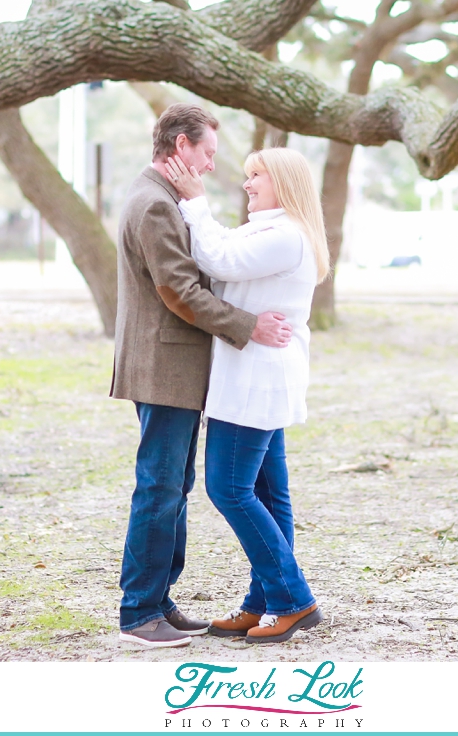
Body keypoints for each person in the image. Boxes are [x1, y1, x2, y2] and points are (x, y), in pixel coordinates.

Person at [110, 104, 293, 649]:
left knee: (174, 487)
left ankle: (160, 600)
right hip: (163, 368)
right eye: (208, 152)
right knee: (159, 488)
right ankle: (139, 612)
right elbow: (179, 293)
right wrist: (248, 326)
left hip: (176, 368)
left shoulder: (166, 200)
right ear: (180, 148)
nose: (213, 164)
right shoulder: (154, 205)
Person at [164, 146, 329, 644]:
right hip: (253, 374)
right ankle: (263, 602)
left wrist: (195, 201)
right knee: (264, 493)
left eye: (256, 176)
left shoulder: (286, 235)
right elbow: (217, 257)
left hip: (257, 379)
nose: (247, 183)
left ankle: (292, 600)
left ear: (284, 182)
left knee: (228, 487)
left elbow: (220, 258)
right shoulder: (268, 228)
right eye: (247, 175)